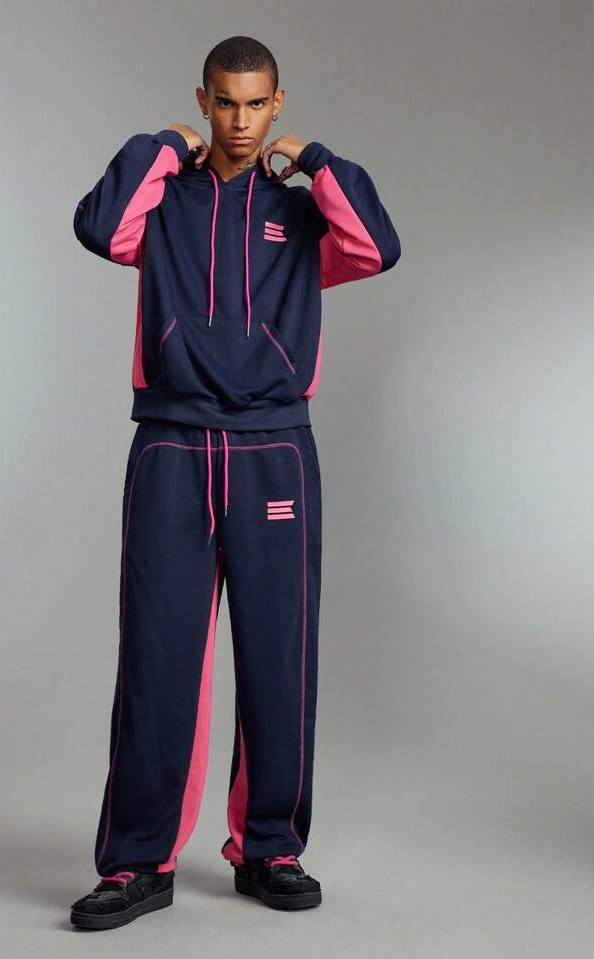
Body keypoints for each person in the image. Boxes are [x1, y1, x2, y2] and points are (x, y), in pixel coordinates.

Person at [68, 35, 401, 930]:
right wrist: (162, 146)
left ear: (277, 103)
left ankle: (269, 848)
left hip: (273, 450)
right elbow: (99, 226)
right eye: (225, 103)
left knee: (278, 657)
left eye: (256, 104)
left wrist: (317, 161)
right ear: (204, 101)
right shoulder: (166, 203)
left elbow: (378, 246)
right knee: (158, 658)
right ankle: (137, 861)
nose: (241, 121)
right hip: (171, 448)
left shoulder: (303, 216)